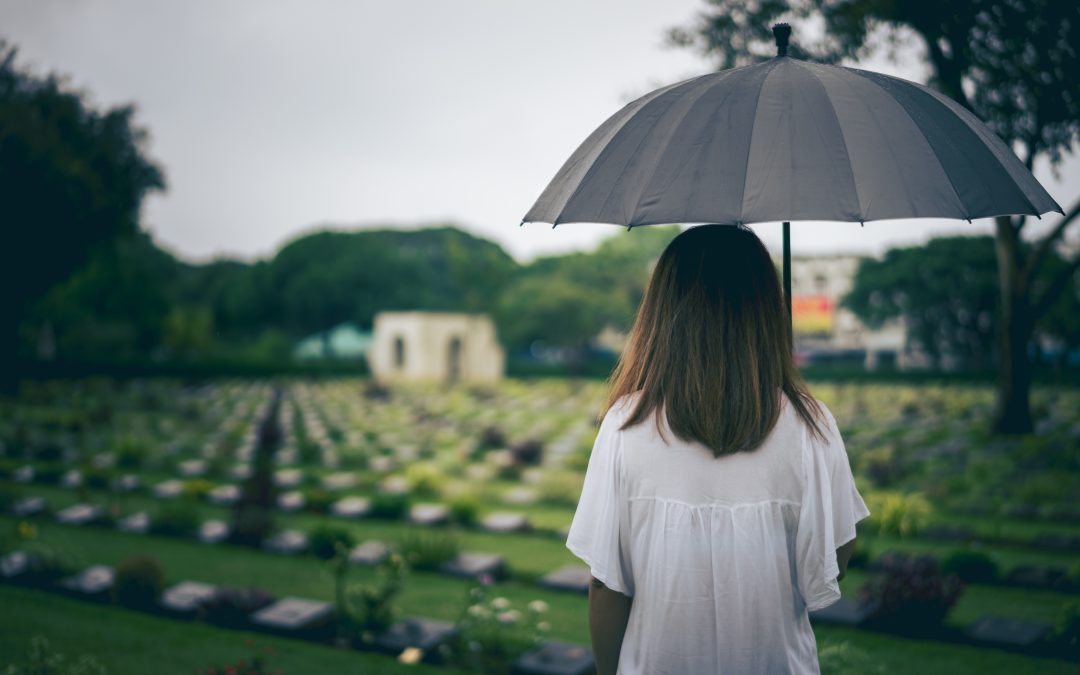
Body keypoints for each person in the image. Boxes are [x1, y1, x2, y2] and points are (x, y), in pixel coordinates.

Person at [566, 223, 871, 675]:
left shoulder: (625, 425)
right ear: (765, 309)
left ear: (662, 312)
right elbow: (834, 560)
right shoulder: (811, 424)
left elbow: (607, 584)